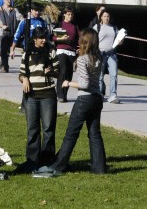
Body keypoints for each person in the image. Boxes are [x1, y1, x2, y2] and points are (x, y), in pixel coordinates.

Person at [33, 28, 106, 177]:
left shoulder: (83, 59)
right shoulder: (98, 57)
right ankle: (99, 168)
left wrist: (68, 83)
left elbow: (84, 83)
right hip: (97, 98)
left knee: (71, 134)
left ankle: (58, 166)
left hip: (84, 99)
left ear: (84, 41)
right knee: (94, 134)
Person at [18, 27, 60, 172]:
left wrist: (51, 72)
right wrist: (24, 80)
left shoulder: (51, 52)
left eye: (45, 37)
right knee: (32, 129)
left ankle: (47, 160)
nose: (43, 40)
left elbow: (58, 72)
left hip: (48, 95)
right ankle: (32, 160)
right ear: (34, 39)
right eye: (40, 37)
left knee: (48, 129)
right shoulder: (27, 53)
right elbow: (21, 74)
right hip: (31, 96)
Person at [93, 9, 122, 104]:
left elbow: (119, 39)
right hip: (100, 53)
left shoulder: (114, 28)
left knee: (114, 75)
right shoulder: (97, 27)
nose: (106, 18)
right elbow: (92, 40)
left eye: (108, 16)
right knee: (100, 76)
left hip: (111, 54)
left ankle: (113, 95)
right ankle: (100, 94)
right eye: (105, 16)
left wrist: (120, 41)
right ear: (101, 17)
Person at [53, 8, 80, 102]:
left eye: (71, 15)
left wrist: (79, 47)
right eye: (68, 14)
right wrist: (60, 38)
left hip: (71, 51)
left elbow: (78, 38)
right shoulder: (60, 24)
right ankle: (59, 94)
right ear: (64, 14)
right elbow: (53, 37)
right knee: (63, 70)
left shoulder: (75, 25)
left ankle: (64, 95)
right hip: (61, 50)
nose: (70, 16)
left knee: (69, 73)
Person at [0, 0, 17, 73]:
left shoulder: (14, 10)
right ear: (4, 0)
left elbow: (19, 18)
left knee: (8, 51)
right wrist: (1, 26)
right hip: (2, 33)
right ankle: (5, 66)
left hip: (11, 33)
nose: (9, 1)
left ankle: (3, 64)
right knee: (4, 50)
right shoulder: (0, 10)